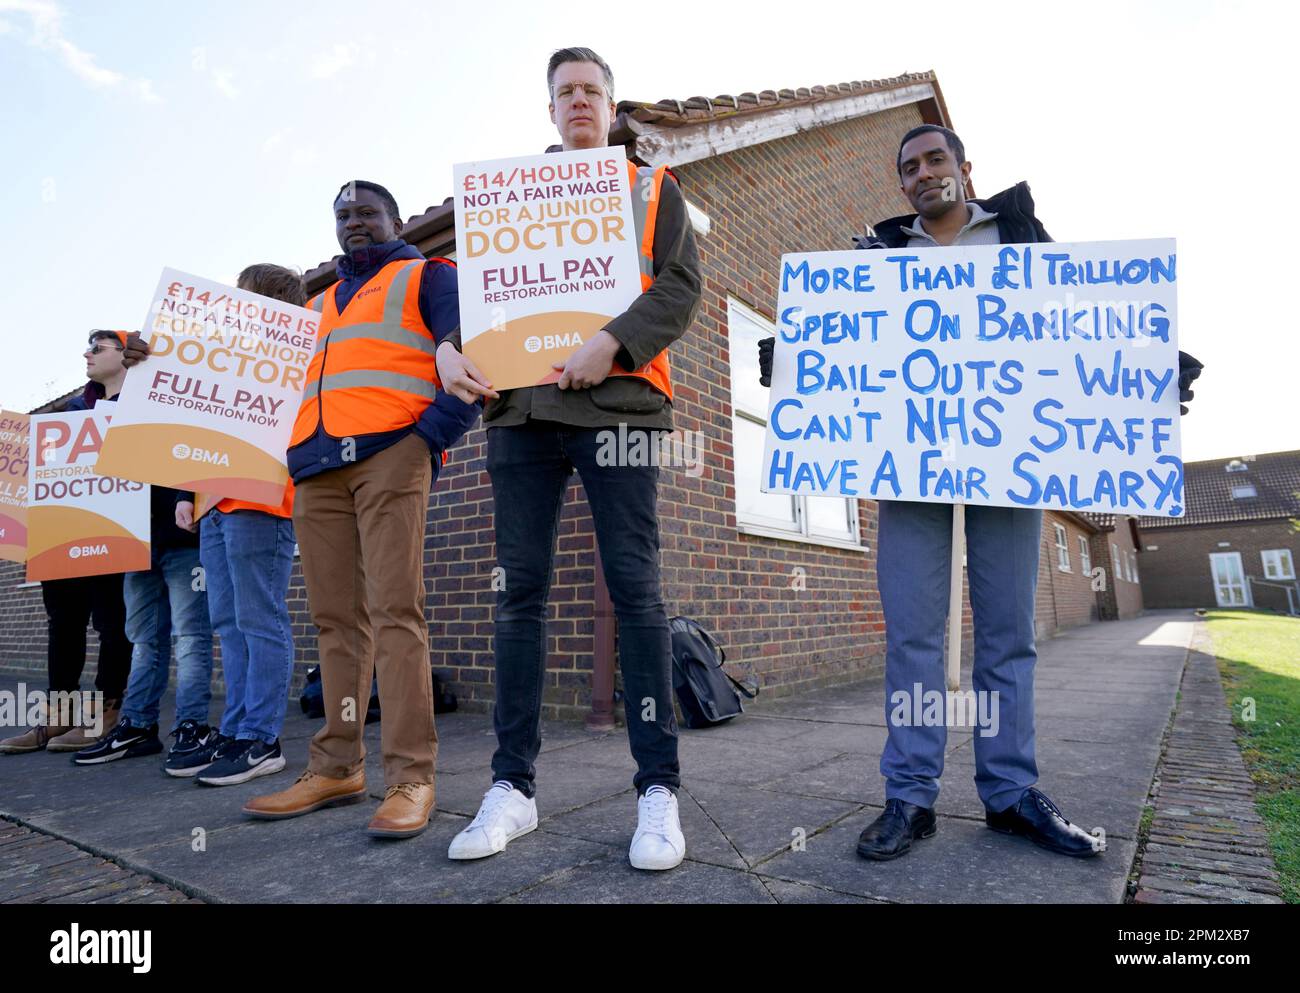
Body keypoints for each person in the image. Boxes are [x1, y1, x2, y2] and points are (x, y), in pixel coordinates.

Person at [758, 124, 1203, 860]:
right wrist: (798, 355)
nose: (923, 173)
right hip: (910, 463)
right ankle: (910, 793)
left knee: (1008, 632)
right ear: (901, 184)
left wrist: (1155, 363)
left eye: (936, 159)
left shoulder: (1021, 236)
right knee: (912, 633)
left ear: (965, 168)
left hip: (1010, 460)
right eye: (909, 167)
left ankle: (1009, 792)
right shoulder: (883, 256)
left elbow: (1080, 321)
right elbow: (853, 342)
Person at [435, 47, 701, 870]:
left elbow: (680, 286)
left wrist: (612, 341)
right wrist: (447, 352)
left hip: (619, 407)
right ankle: (512, 786)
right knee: (520, 595)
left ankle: (657, 789)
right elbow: (471, 298)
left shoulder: (652, 188)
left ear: (611, 106)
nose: (579, 101)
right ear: (549, 110)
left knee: (637, 590)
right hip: (521, 415)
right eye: (565, 93)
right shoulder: (506, 198)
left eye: (591, 90)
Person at [237, 181, 480, 838]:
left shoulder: (427, 275)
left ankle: (411, 776)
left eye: (367, 212)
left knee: (396, 613)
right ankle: (339, 763)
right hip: (316, 472)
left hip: (388, 457)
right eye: (343, 215)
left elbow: (473, 348)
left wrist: (427, 438)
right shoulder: (313, 306)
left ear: (394, 220)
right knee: (335, 623)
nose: (354, 223)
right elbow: (244, 376)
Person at [165, 264, 305, 786]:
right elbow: (204, 421)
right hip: (214, 504)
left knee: (259, 619)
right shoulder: (225, 358)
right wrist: (186, 490)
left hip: (261, 501)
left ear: (267, 300)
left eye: (242, 293)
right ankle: (236, 729)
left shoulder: (293, 354)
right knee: (227, 622)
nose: (231, 299)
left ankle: (261, 738)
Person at [74, 326, 215, 769]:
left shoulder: (163, 393)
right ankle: (137, 726)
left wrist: (185, 499)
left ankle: (191, 727)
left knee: (190, 637)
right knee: (144, 639)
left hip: (180, 534)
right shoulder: (85, 416)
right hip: (133, 541)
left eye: (98, 347)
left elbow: (191, 447)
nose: (87, 354)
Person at [0, 331, 133, 754]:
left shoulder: (144, 408)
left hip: (115, 529)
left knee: (112, 625)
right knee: (64, 624)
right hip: (64, 532)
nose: (87, 354)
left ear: (126, 355)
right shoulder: (70, 413)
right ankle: (59, 718)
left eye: (98, 348)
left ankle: (107, 712)